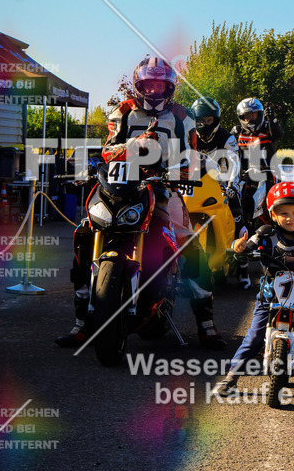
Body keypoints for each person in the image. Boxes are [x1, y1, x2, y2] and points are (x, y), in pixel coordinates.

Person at [56, 56, 225, 349]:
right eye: (148, 85)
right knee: (85, 234)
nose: (154, 91)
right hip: (120, 186)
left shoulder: (183, 116)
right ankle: (82, 323)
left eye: (160, 85)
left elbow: (191, 154)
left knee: (189, 243)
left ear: (170, 87)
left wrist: (181, 170)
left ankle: (206, 325)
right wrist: (134, 145)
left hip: (163, 188)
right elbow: (108, 151)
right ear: (138, 85)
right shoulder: (122, 111)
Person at [211, 181, 294, 396]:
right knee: (253, 337)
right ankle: (230, 378)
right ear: (273, 214)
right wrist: (240, 246)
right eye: (283, 213)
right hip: (268, 298)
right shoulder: (265, 235)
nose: (290, 218)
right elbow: (246, 246)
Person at [191, 97, 250, 288]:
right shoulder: (188, 135)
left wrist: (232, 184)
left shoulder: (227, 137)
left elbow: (234, 161)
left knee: (237, 213)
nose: (205, 124)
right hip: (195, 182)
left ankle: (243, 266)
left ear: (215, 120)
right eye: (201, 120)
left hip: (223, 181)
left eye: (209, 120)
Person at [231, 97, 283, 226]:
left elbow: (278, 134)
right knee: (238, 204)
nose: (251, 119)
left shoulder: (267, 127)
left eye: (254, 115)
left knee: (272, 206)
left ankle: (274, 227)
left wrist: (273, 119)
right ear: (241, 117)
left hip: (268, 176)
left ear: (259, 115)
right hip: (245, 177)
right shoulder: (237, 132)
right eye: (247, 116)